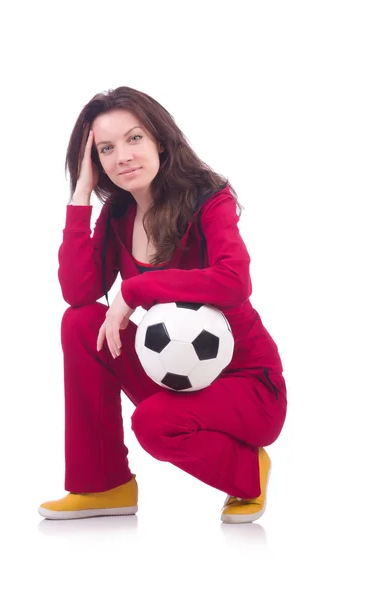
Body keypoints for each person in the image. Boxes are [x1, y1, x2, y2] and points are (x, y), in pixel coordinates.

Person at [38, 86, 287, 524]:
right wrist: (79, 194)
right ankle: (103, 484)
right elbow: (79, 291)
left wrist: (133, 292)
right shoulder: (117, 213)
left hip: (248, 386)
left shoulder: (210, 199)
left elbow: (235, 281)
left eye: (134, 138)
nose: (123, 157)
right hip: (176, 374)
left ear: (159, 138)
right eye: (106, 149)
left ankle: (250, 471)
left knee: (153, 424)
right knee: (81, 322)